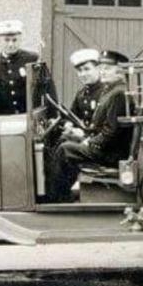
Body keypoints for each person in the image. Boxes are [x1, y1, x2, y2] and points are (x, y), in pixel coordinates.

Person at [46, 48, 132, 202]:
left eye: (108, 69)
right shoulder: (110, 90)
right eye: (102, 68)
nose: (103, 71)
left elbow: (111, 132)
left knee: (65, 149)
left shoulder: (118, 94)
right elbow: (98, 126)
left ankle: (54, 197)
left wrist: (89, 141)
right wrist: (83, 134)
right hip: (105, 147)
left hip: (111, 153)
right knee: (65, 143)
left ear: (120, 72)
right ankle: (60, 193)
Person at [0, 20, 39, 116]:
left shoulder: (32, 59)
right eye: (7, 40)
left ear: (20, 40)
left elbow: (40, 90)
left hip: (29, 115)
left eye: (14, 40)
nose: (11, 44)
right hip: (5, 117)